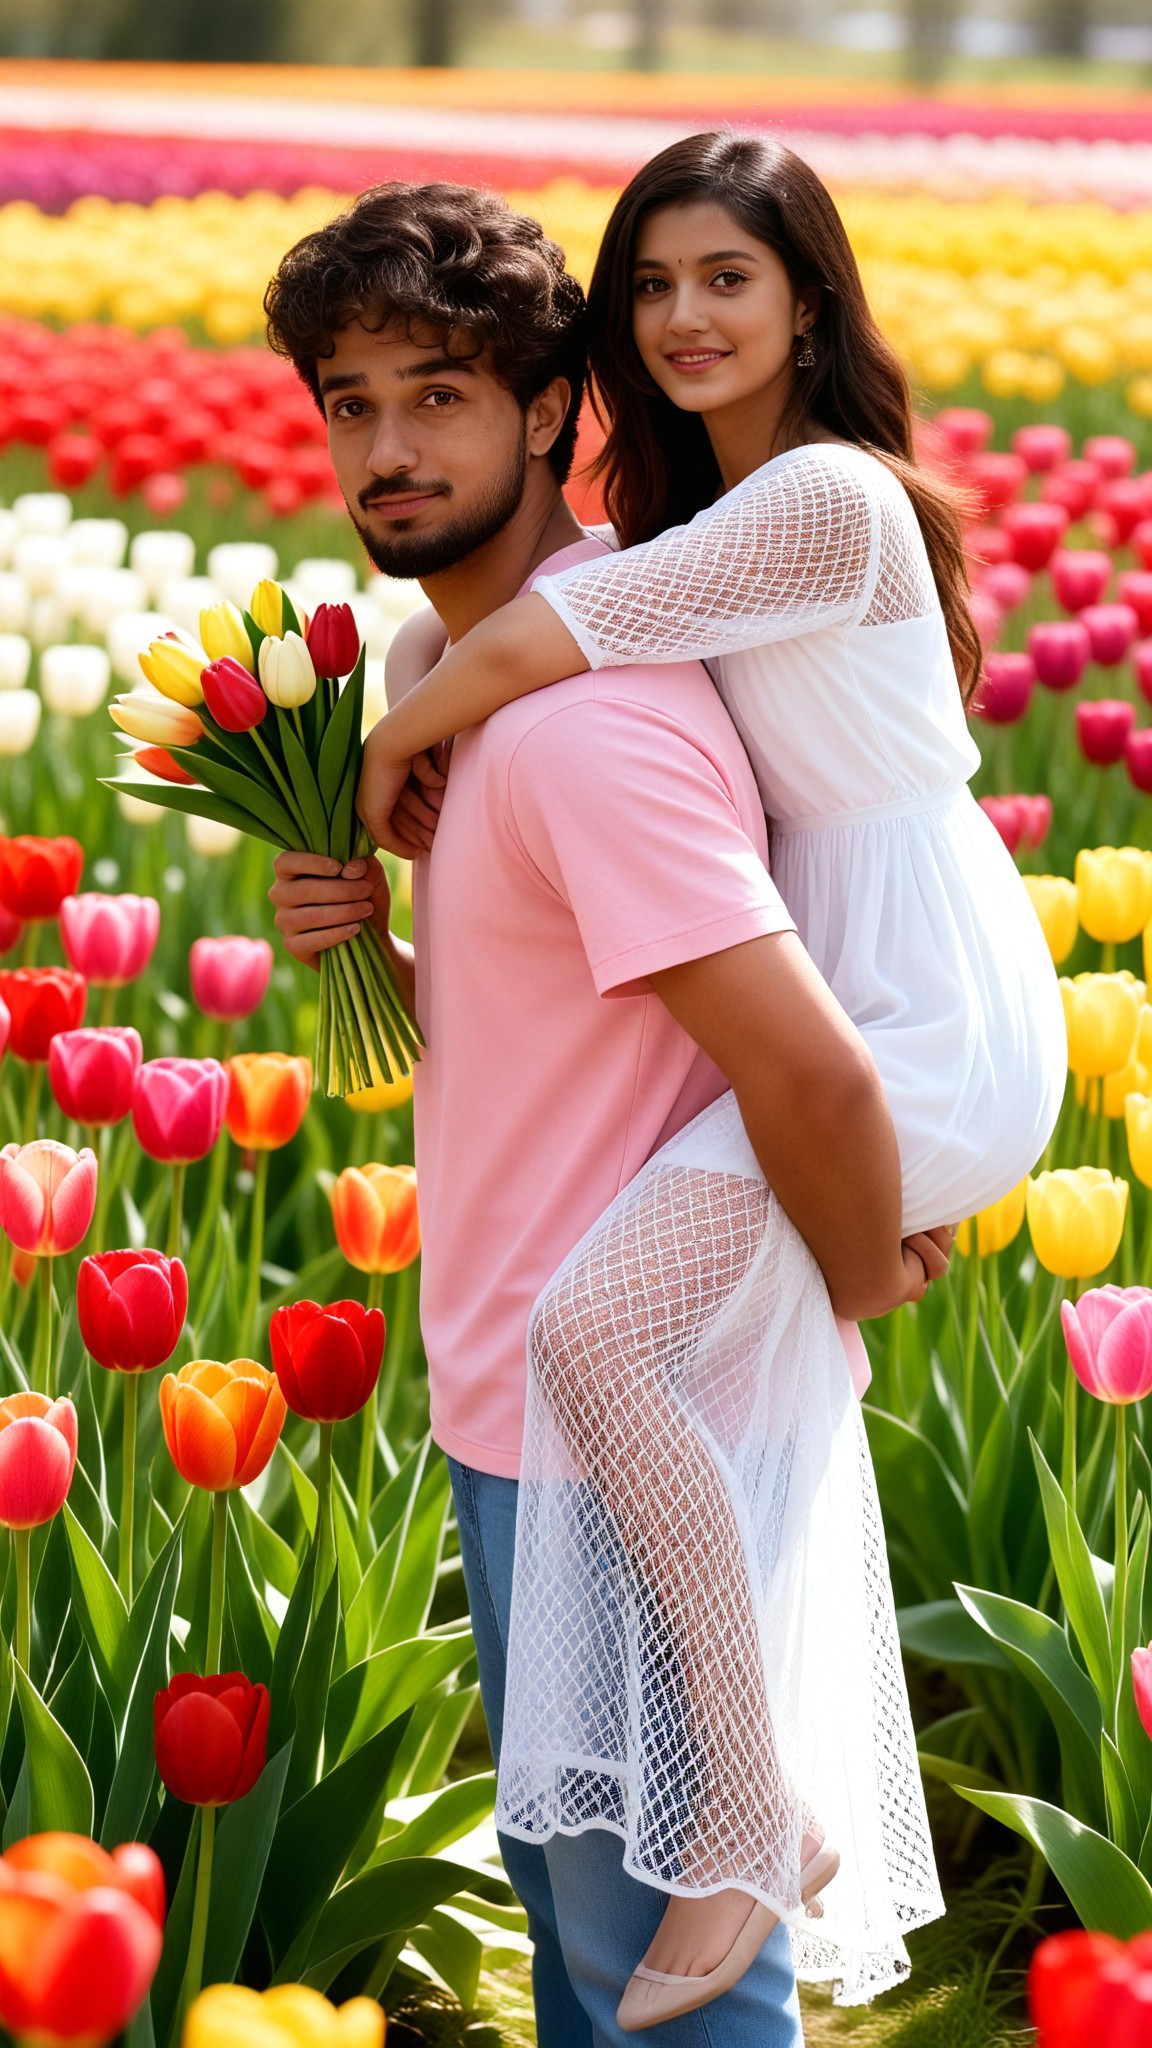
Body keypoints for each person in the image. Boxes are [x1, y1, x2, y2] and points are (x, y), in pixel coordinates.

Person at [348, 133, 1068, 2028]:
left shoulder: (829, 497)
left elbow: (536, 637)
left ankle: (752, 1818)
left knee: (596, 1341)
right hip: (849, 999)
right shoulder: (699, 531)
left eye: (727, 280)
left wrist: (391, 736)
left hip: (916, 1007)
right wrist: (384, 856)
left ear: (812, 298)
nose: (683, 317)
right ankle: (750, 1815)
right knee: (593, 1340)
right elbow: (539, 622)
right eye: (652, 284)